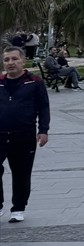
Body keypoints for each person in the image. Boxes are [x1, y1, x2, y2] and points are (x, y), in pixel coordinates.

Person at [1, 47, 50, 223]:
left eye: (14, 59)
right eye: (6, 60)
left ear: (23, 61)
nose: (10, 63)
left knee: (21, 173)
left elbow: (43, 107)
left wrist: (43, 130)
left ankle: (18, 208)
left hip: (24, 135)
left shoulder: (34, 82)